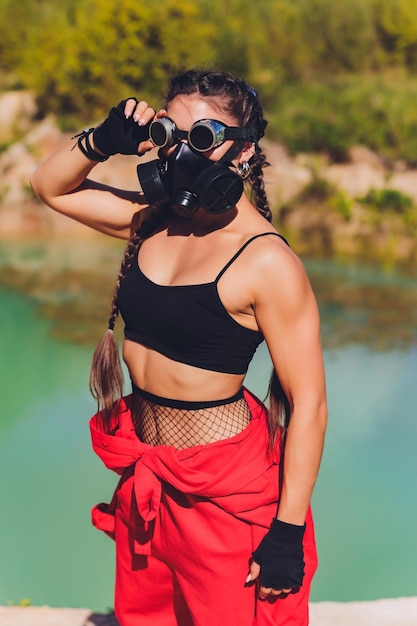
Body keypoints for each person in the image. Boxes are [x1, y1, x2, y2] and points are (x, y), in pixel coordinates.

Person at [30, 69, 327, 626]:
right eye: (171, 133)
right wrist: (101, 141)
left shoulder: (266, 261)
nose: (182, 152)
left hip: (226, 491)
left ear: (243, 149)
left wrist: (286, 532)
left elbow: (309, 404)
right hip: (149, 478)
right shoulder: (153, 222)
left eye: (203, 137)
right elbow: (49, 187)